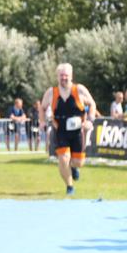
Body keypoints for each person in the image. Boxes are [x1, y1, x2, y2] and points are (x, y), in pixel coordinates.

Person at [38, 63, 97, 196]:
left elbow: (92, 103)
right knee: (63, 159)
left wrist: (90, 120)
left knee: (78, 162)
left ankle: (74, 167)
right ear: (57, 77)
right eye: (61, 76)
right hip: (60, 130)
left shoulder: (79, 89)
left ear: (71, 76)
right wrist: (42, 121)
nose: (64, 78)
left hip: (78, 131)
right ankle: (69, 186)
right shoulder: (51, 92)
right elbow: (42, 107)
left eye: (66, 76)